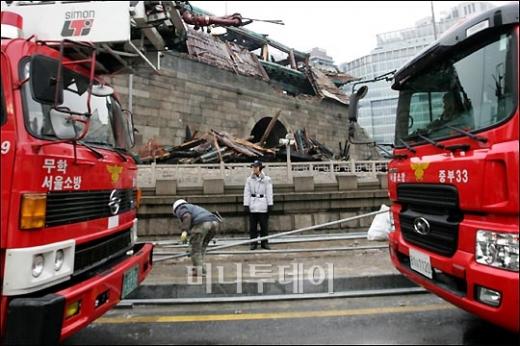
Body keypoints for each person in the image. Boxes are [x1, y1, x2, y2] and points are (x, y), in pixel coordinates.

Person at [173, 199, 220, 276]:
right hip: (214, 223)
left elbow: (187, 216)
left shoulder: (181, 208)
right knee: (201, 248)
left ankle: (200, 271)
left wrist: (184, 231)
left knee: (195, 249)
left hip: (203, 224)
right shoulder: (193, 207)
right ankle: (198, 267)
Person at [243, 160, 273, 250]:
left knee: (264, 226)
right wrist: (246, 204)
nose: (254, 169)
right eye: (253, 167)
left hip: (263, 204)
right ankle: (253, 243)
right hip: (253, 204)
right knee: (253, 226)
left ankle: (265, 242)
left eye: (256, 167)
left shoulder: (267, 179)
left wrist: (270, 204)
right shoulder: (249, 179)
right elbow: (246, 192)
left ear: (260, 168)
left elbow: (269, 192)